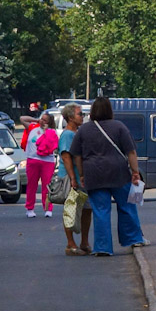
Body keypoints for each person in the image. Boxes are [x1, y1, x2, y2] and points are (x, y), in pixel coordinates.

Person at [70, 96, 146, 256]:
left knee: (100, 211)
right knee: (127, 206)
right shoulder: (119, 127)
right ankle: (133, 239)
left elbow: (76, 154)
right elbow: (131, 151)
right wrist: (135, 171)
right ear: (109, 110)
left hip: (94, 173)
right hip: (118, 172)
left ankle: (103, 247)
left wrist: (81, 173)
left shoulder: (84, 130)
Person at [57, 103, 92, 255]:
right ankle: (70, 244)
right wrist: (72, 178)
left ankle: (84, 242)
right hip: (71, 178)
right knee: (71, 209)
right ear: (71, 117)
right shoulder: (68, 135)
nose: (82, 117)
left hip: (81, 177)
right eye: (80, 114)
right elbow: (66, 157)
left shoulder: (77, 133)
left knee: (86, 209)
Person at [24, 112, 60, 217]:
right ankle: (29, 208)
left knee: (47, 186)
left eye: (45, 120)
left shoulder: (52, 132)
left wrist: (45, 131)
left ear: (49, 122)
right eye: (41, 119)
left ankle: (48, 208)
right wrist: (36, 120)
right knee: (31, 184)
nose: (42, 121)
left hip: (47, 161)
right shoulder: (32, 128)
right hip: (32, 159)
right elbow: (22, 119)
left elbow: (51, 145)